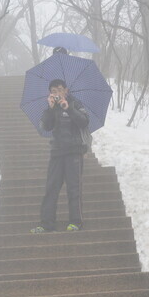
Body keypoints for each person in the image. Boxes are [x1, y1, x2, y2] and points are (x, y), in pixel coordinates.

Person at [30, 79, 90, 233]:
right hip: (57, 152)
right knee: (51, 188)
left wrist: (68, 108)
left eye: (59, 90)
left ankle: (76, 222)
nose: (57, 93)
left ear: (66, 90)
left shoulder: (76, 103)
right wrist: (50, 109)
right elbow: (45, 126)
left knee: (74, 188)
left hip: (74, 151)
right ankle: (46, 224)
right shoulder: (52, 107)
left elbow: (84, 122)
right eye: (53, 91)